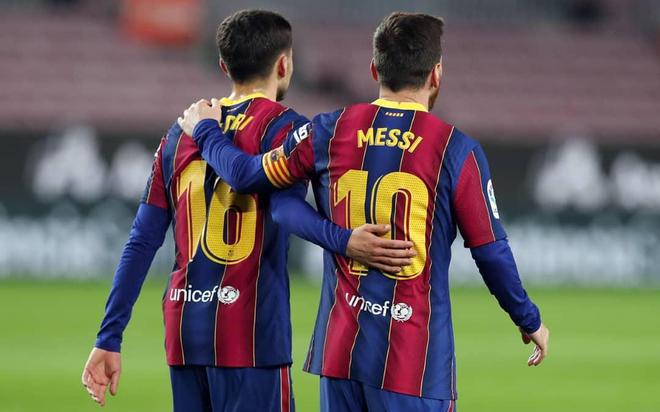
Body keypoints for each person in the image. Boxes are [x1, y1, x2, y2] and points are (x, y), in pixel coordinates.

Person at [178, 12, 550, 412]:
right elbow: (490, 251)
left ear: (374, 69)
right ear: (436, 73)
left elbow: (263, 189)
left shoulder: (327, 130)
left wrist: (206, 131)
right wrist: (528, 319)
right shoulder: (456, 150)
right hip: (414, 364)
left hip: (341, 355)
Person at [81, 10, 414, 411]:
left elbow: (141, 241)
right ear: (284, 64)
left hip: (186, 333)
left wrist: (109, 336)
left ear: (224, 66)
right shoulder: (284, 128)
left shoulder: (180, 134)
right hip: (251, 336)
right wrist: (345, 241)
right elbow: (286, 210)